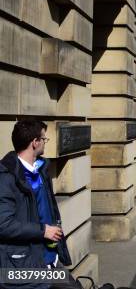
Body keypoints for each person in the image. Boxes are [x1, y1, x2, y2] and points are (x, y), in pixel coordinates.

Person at [0, 120, 82, 289]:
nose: (45, 142)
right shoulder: (6, 178)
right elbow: (4, 225)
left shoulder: (41, 169)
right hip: (24, 264)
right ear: (34, 142)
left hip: (50, 256)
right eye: (44, 139)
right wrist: (44, 231)